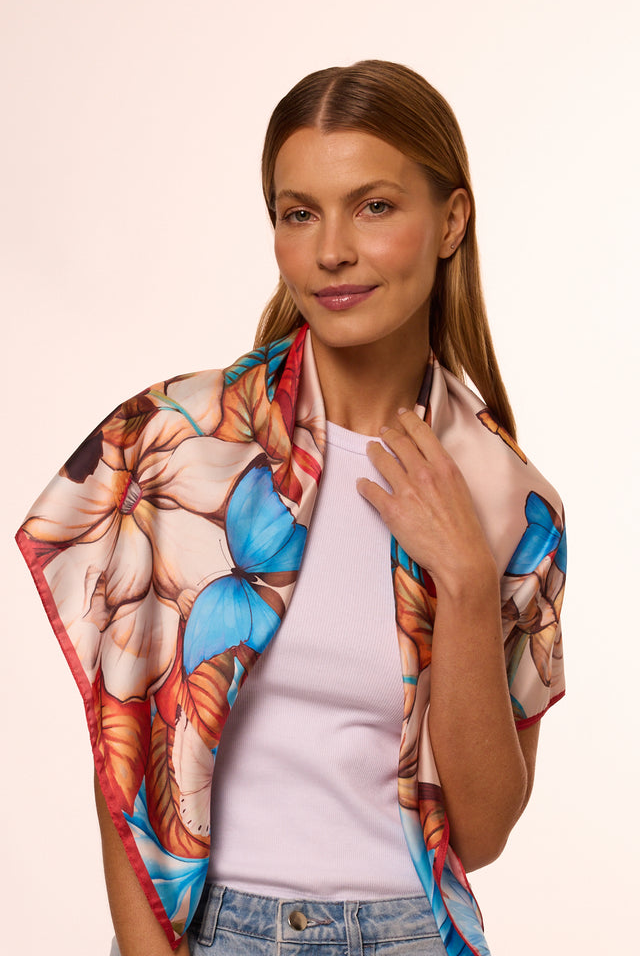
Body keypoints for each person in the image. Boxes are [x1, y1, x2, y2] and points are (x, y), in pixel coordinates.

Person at [16, 60, 566, 956]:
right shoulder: (179, 446)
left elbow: (482, 833)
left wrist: (467, 582)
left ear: (451, 222)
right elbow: (127, 756)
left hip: (411, 933)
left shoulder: (512, 502)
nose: (331, 250)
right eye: (299, 213)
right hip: (212, 931)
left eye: (374, 206)